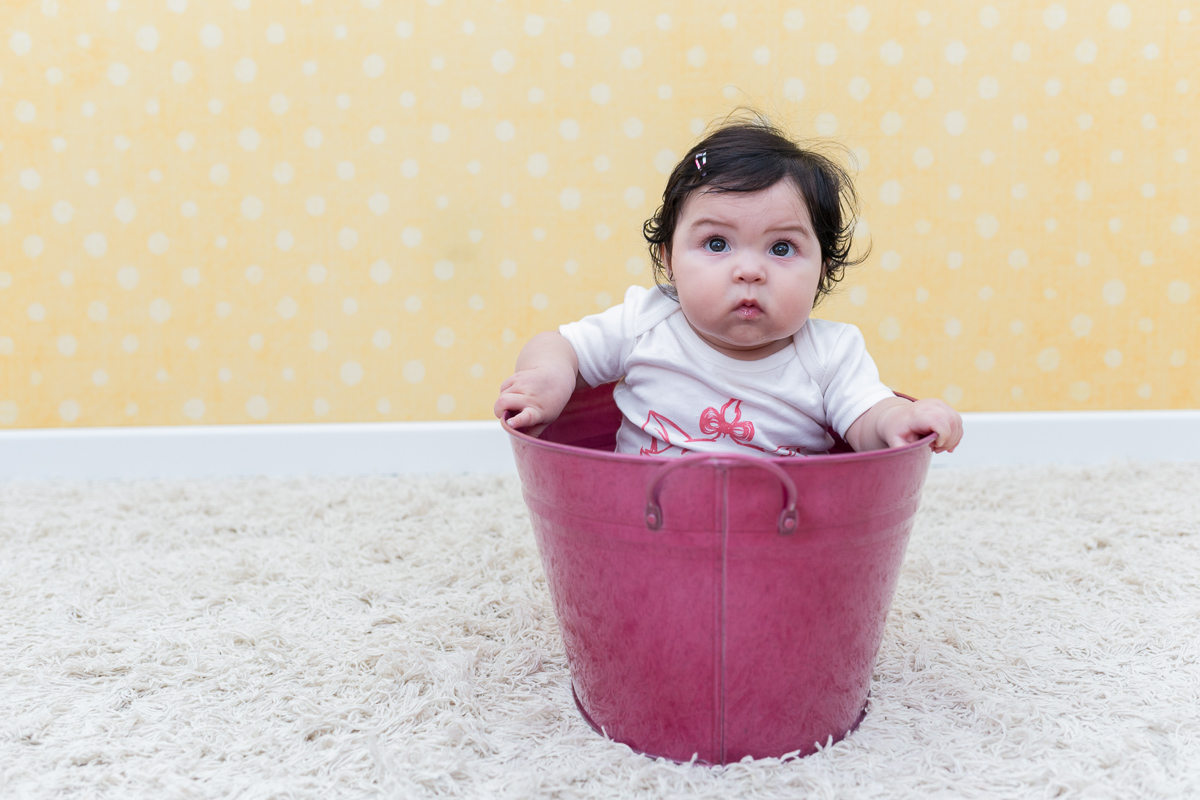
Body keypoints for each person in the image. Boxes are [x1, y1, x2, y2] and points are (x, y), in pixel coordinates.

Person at [494, 116, 962, 457]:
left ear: (822, 270)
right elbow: (560, 346)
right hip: (645, 529)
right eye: (717, 242)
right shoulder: (645, 321)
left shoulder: (831, 353)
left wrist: (900, 421)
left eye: (781, 249)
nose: (749, 270)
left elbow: (868, 421)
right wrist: (547, 380)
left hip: (778, 542)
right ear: (669, 261)